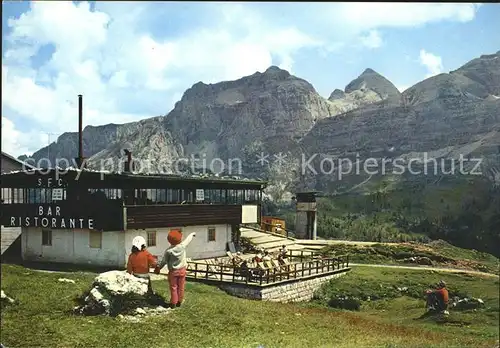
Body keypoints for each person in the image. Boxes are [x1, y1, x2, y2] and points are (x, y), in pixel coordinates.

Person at [157, 230, 196, 309]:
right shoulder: (182, 246)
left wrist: (159, 268)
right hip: (182, 270)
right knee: (181, 286)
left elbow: (164, 261)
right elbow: (188, 240)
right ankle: (179, 301)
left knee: (173, 287)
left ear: (169, 240)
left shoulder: (168, 251)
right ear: (179, 239)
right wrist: (192, 234)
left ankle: (173, 303)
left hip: (173, 272)